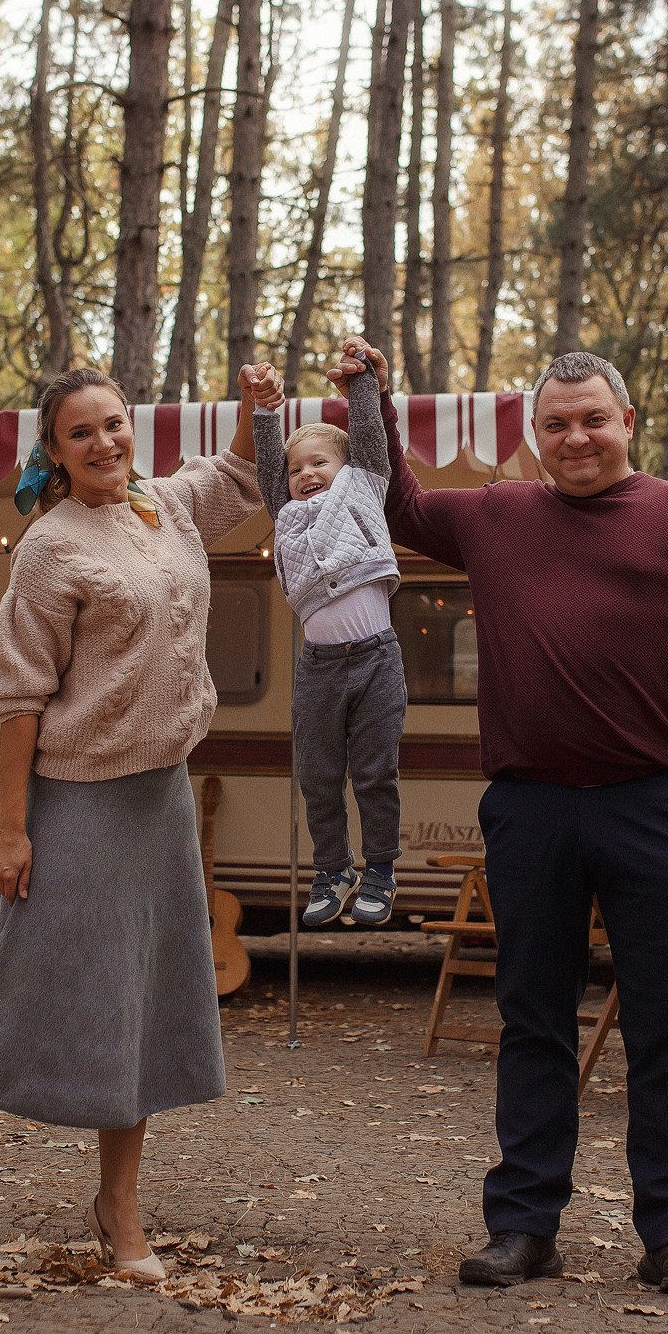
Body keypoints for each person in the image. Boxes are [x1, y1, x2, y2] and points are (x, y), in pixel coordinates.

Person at [326, 345, 668, 1297]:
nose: (576, 437)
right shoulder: (500, 514)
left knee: (667, 1026)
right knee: (533, 1021)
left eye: (592, 418)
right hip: (530, 807)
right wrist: (367, 395)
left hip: (653, 804)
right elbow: (393, 507)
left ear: (627, 421)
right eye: (556, 423)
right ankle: (523, 1226)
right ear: (534, 435)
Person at [0, 361, 285, 1288]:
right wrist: (12, 833)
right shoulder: (49, 547)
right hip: (78, 801)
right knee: (18, 993)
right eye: (81, 433)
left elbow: (244, 477)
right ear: (54, 450)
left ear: (135, 428)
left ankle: (118, 1210)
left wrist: (258, 413)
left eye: (115, 425)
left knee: (139, 1004)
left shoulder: (166, 508)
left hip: (159, 798)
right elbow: (18, 699)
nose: (105, 444)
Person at [249, 338, 406, 929]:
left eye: (319, 463)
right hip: (319, 664)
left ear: (345, 467)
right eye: (298, 469)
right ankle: (331, 868)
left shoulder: (364, 485)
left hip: (374, 660)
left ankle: (381, 870)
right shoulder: (285, 514)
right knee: (317, 773)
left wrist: (362, 382)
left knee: (372, 772)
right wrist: (265, 412)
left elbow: (366, 437)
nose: (306, 474)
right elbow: (270, 468)